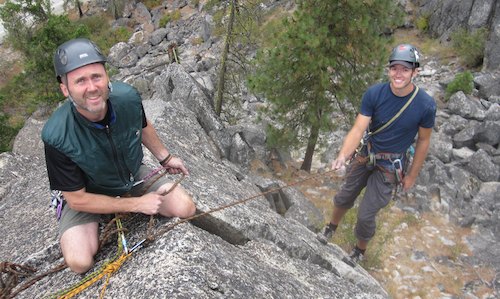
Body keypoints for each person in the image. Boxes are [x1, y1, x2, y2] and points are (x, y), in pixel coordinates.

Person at [42, 38, 196, 274]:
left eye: (96, 77)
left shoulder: (128, 99)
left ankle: (120, 195)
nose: (91, 87)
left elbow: (142, 125)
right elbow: (78, 200)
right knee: (79, 261)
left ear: (106, 77)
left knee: (185, 208)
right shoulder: (57, 135)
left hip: (130, 174)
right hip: (86, 191)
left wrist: (165, 158)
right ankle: (107, 206)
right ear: (66, 89)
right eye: (80, 81)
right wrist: (136, 204)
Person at [316, 44, 436, 266]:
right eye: (394, 68)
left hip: (391, 165)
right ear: (389, 69)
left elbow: (424, 140)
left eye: (405, 69)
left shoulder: (425, 105)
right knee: (344, 196)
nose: (398, 74)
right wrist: (343, 155)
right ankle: (330, 228)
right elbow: (358, 129)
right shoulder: (375, 94)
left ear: (415, 72)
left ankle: (359, 251)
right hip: (366, 153)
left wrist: (411, 176)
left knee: (366, 214)